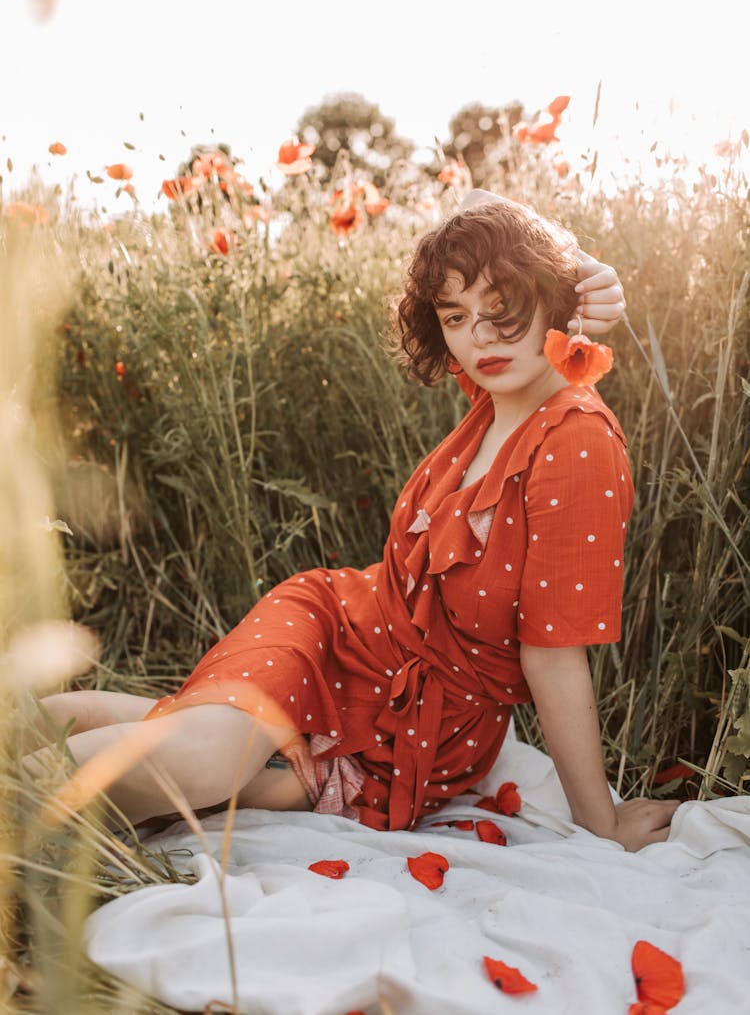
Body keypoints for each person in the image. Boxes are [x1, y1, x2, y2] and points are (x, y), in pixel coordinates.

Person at [26, 192, 677, 851]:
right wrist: (583, 264)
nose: (480, 337)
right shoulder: (498, 384)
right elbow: (476, 207)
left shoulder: (576, 441)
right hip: (334, 631)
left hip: (418, 733)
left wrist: (604, 822)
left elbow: (555, 658)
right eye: (456, 315)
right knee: (211, 759)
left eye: (502, 309)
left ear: (548, 296)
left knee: (220, 760)